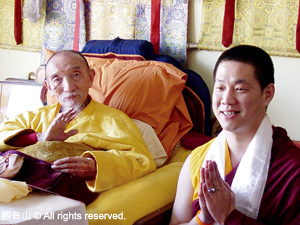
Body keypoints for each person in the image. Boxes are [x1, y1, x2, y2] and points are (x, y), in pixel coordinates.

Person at [0, 50, 156, 204]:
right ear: (49, 87)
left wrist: (97, 166)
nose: (68, 87)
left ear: (90, 77)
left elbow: (142, 161)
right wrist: (39, 138)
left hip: (62, 192)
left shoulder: (114, 120)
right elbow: (3, 133)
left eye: (75, 75)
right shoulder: (34, 117)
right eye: (57, 79)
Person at [169, 45, 300, 225]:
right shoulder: (198, 159)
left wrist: (230, 216)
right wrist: (203, 218)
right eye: (220, 87)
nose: (227, 100)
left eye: (240, 89)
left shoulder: (292, 169)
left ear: (267, 94)